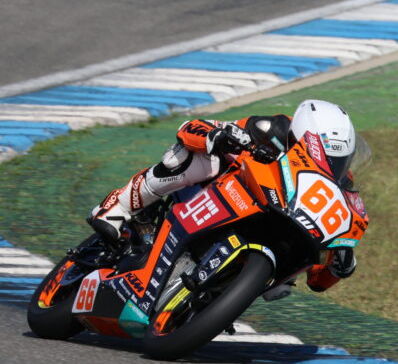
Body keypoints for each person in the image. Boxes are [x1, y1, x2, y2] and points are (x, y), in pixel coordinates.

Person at [87, 99, 367, 296]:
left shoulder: (341, 184)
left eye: (338, 159)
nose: (331, 165)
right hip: (226, 191)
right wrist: (217, 136)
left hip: (278, 224)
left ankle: (210, 300)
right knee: (192, 160)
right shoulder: (270, 128)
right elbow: (191, 127)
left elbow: (318, 282)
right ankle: (119, 205)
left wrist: (341, 263)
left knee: (283, 285)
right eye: (326, 155)